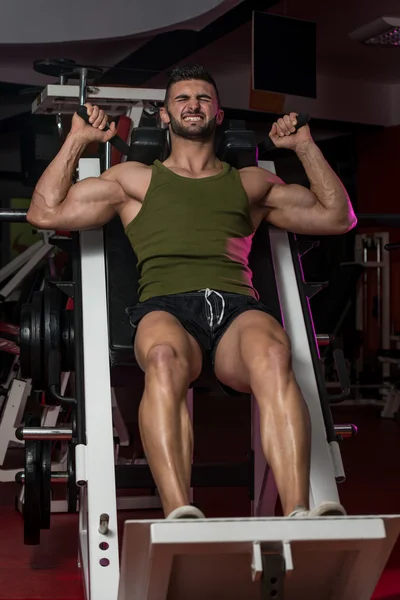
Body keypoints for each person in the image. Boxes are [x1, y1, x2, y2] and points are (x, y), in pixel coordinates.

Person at [27, 64, 357, 520]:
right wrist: (77, 140)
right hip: (165, 307)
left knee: (276, 356)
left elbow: (339, 218)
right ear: (164, 116)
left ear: (218, 114)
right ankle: (180, 513)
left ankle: (301, 512)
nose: (193, 105)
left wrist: (304, 146)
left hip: (238, 309)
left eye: (203, 97)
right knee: (162, 358)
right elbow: (44, 213)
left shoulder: (252, 184)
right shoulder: (135, 181)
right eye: (182, 98)